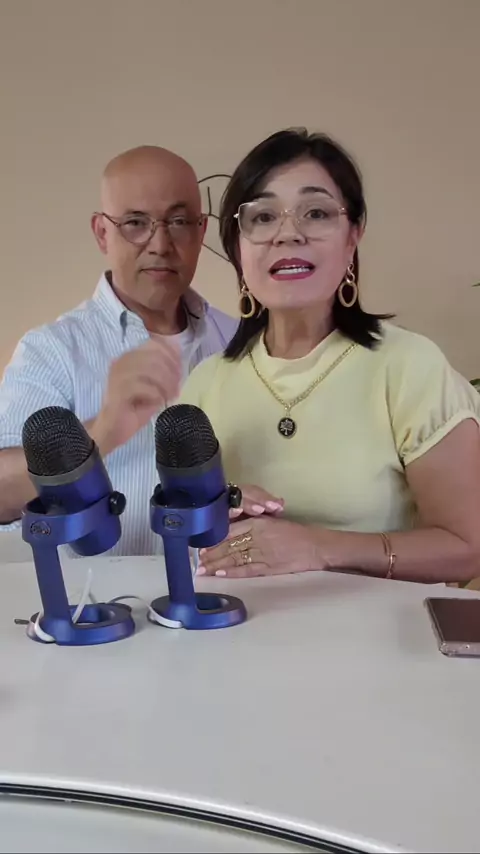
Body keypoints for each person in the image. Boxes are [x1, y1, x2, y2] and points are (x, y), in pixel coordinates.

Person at [178, 128, 480, 585]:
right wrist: (214, 515)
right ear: (238, 247)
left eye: (316, 213)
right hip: (241, 625)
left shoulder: (409, 367)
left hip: (383, 629)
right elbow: (192, 542)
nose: (288, 234)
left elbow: (467, 548)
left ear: (353, 235)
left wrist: (318, 547)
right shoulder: (206, 383)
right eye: (263, 217)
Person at [0, 145, 237, 554]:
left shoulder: (237, 341)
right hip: (90, 594)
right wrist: (102, 432)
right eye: (135, 223)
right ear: (101, 232)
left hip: (225, 590)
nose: (160, 244)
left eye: (178, 221)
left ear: (201, 231)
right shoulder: (51, 350)